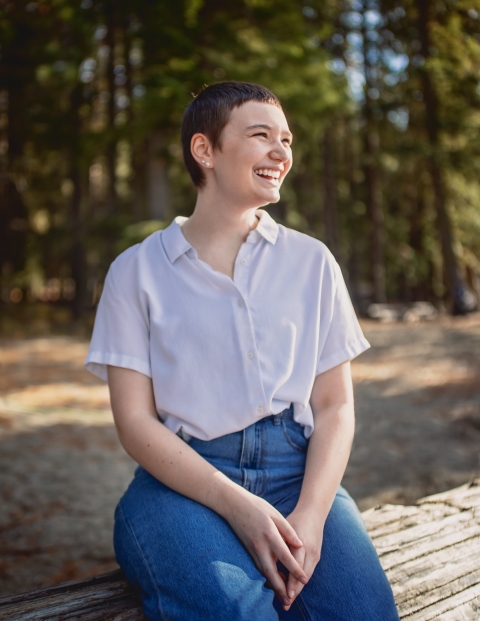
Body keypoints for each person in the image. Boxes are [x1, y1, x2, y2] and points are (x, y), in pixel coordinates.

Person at [85, 81, 400, 621]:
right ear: (204, 150)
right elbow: (135, 421)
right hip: (181, 485)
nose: (282, 152)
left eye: (287, 139)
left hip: (296, 475)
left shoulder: (313, 262)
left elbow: (335, 406)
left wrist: (312, 514)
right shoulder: (134, 271)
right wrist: (236, 505)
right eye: (261, 135)